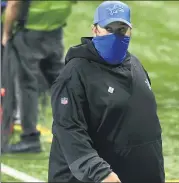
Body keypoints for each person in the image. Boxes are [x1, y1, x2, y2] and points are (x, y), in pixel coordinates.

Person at [48, 1, 165, 183]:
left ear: (130, 31)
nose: (116, 35)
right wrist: (100, 173)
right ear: (95, 30)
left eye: (122, 30)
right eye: (109, 29)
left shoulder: (134, 64)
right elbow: (69, 131)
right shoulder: (74, 74)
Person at [1, 1, 76, 153]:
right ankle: (82, 130)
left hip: (29, 30)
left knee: (27, 84)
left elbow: (14, 3)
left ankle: (30, 138)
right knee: (60, 83)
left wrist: (6, 32)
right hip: (55, 26)